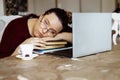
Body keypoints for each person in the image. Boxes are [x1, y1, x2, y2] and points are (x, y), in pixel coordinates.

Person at [0, 8, 72, 58]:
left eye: (52, 31)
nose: (44, 31)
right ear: (41, 16)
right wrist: (22, 47)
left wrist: (59, 36)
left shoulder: (58, 27)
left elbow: (78, 38)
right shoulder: (16, 27)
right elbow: (3, 62)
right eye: (45, 23)